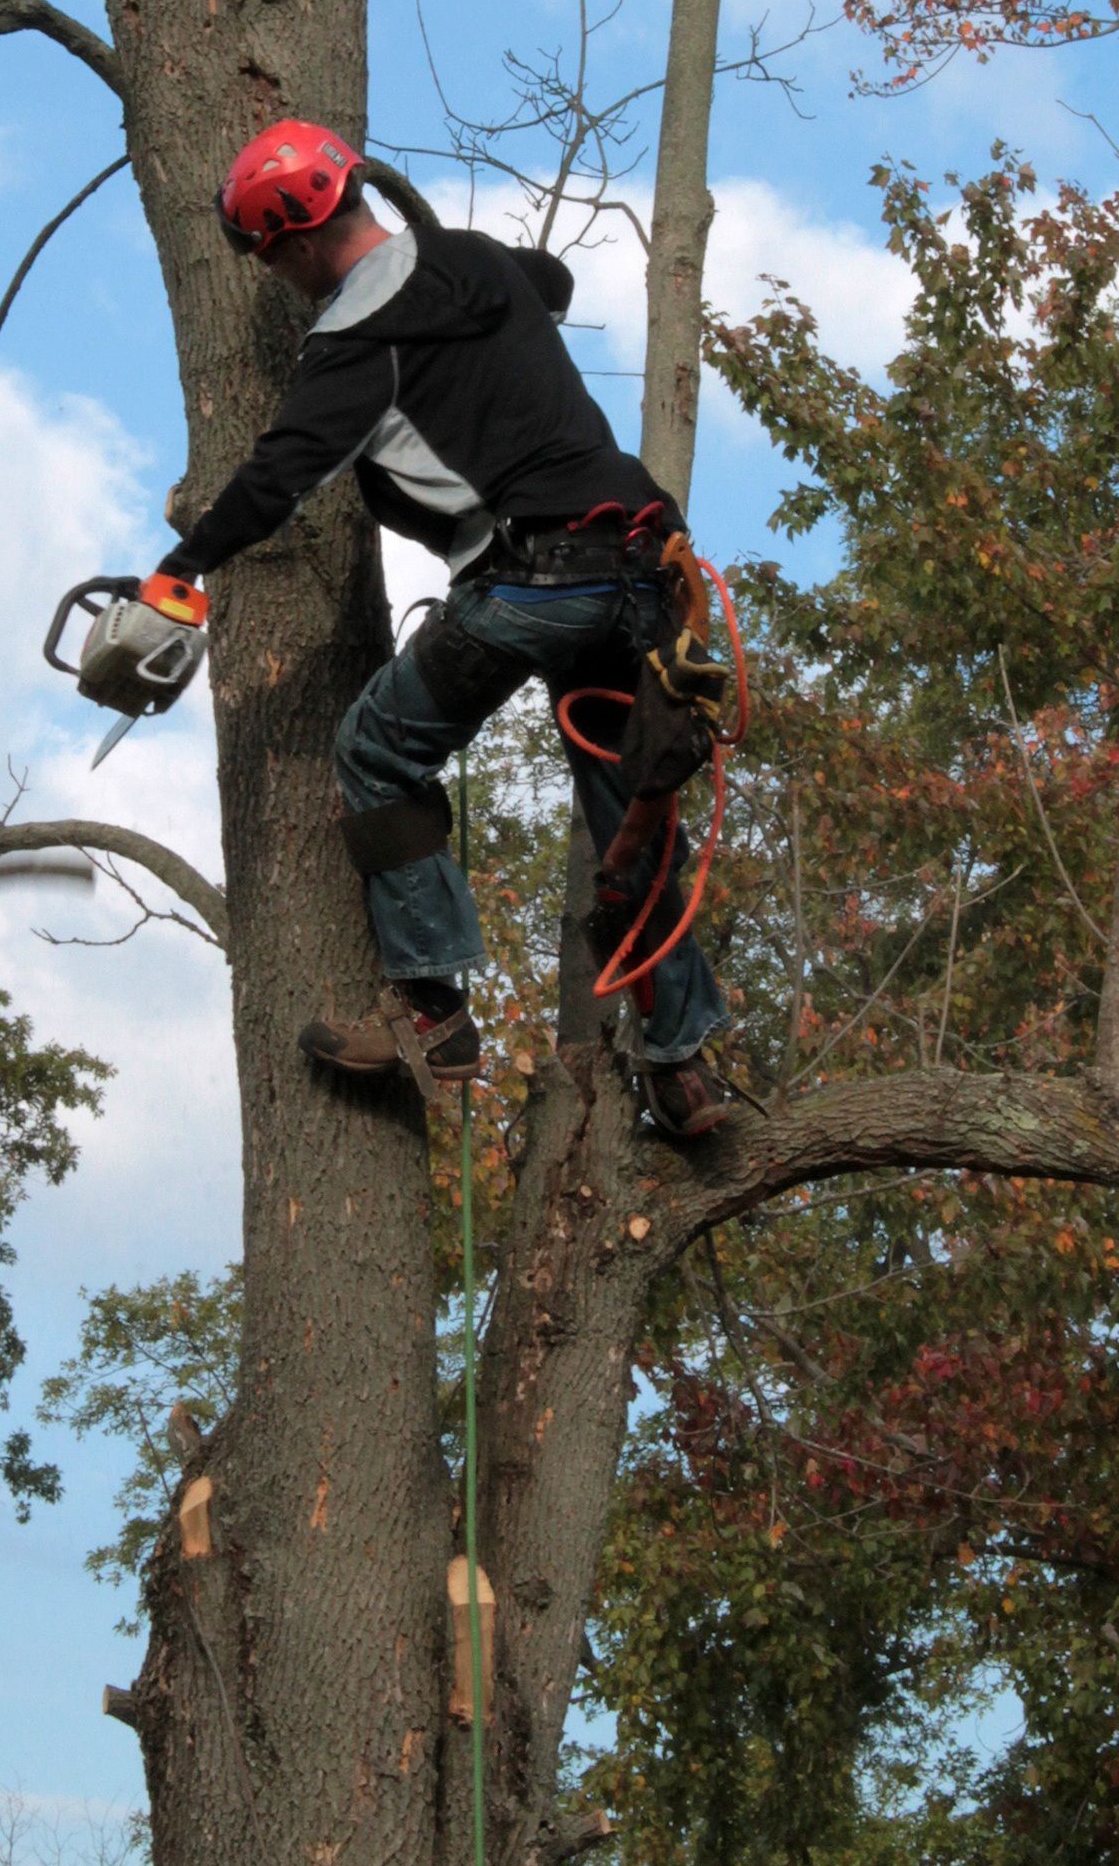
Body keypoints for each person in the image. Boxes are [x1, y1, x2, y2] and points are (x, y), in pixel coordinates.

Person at [156, 120, 732, 1138]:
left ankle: (433, 1016)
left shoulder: (354, 345)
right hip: (646, 571)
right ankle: (684, 1071)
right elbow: (546, 281)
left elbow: (276, 477)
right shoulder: (474, 262)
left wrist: (180, 570)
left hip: (535, 582)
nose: (280, 276)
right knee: (625, 815)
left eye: (272, 258)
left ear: (290, 243)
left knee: (375, 750)